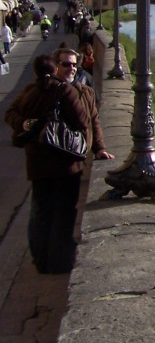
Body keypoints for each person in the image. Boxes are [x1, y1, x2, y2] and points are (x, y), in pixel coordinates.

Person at [5, 54, 114, 274]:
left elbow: (94, 121)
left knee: (43, 212)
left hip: (39, 162)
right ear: (55, 67)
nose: (71, 68)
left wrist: (99, 148)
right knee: (60, 212)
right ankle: (57, 261)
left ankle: (42, 259)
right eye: (66, 64)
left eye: (75, 64)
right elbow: (83, 122)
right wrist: (25, 123)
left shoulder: (81, 91)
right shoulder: (64, 91)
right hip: (65, 162)